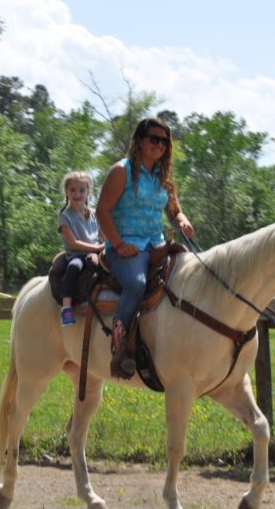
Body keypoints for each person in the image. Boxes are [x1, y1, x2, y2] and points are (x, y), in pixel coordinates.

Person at [97, 118, 194, 378]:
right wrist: (118, 244)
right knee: (137, 284)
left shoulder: (164, 177)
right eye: (154, 138)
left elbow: (175, 210)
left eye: (164, 141)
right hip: (125, 245)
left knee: (188, 271)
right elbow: (102, 211)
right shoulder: (122, 171)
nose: (159, 144)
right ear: (139, 140)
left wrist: (183, 222)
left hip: (156, 243)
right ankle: (119, 348)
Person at [57, 171, 105, 326]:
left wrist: (108, 245)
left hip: (97, 252)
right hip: (78, 254)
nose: (77, 194)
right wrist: (97, 247)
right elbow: (73, 243)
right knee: (74, 267)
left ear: (88, 192)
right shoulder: (65, 216)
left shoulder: (95, 214)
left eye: (81, 190)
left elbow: (103, 235)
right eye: (72, 190)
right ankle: (66, 307)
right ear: (66, 192)